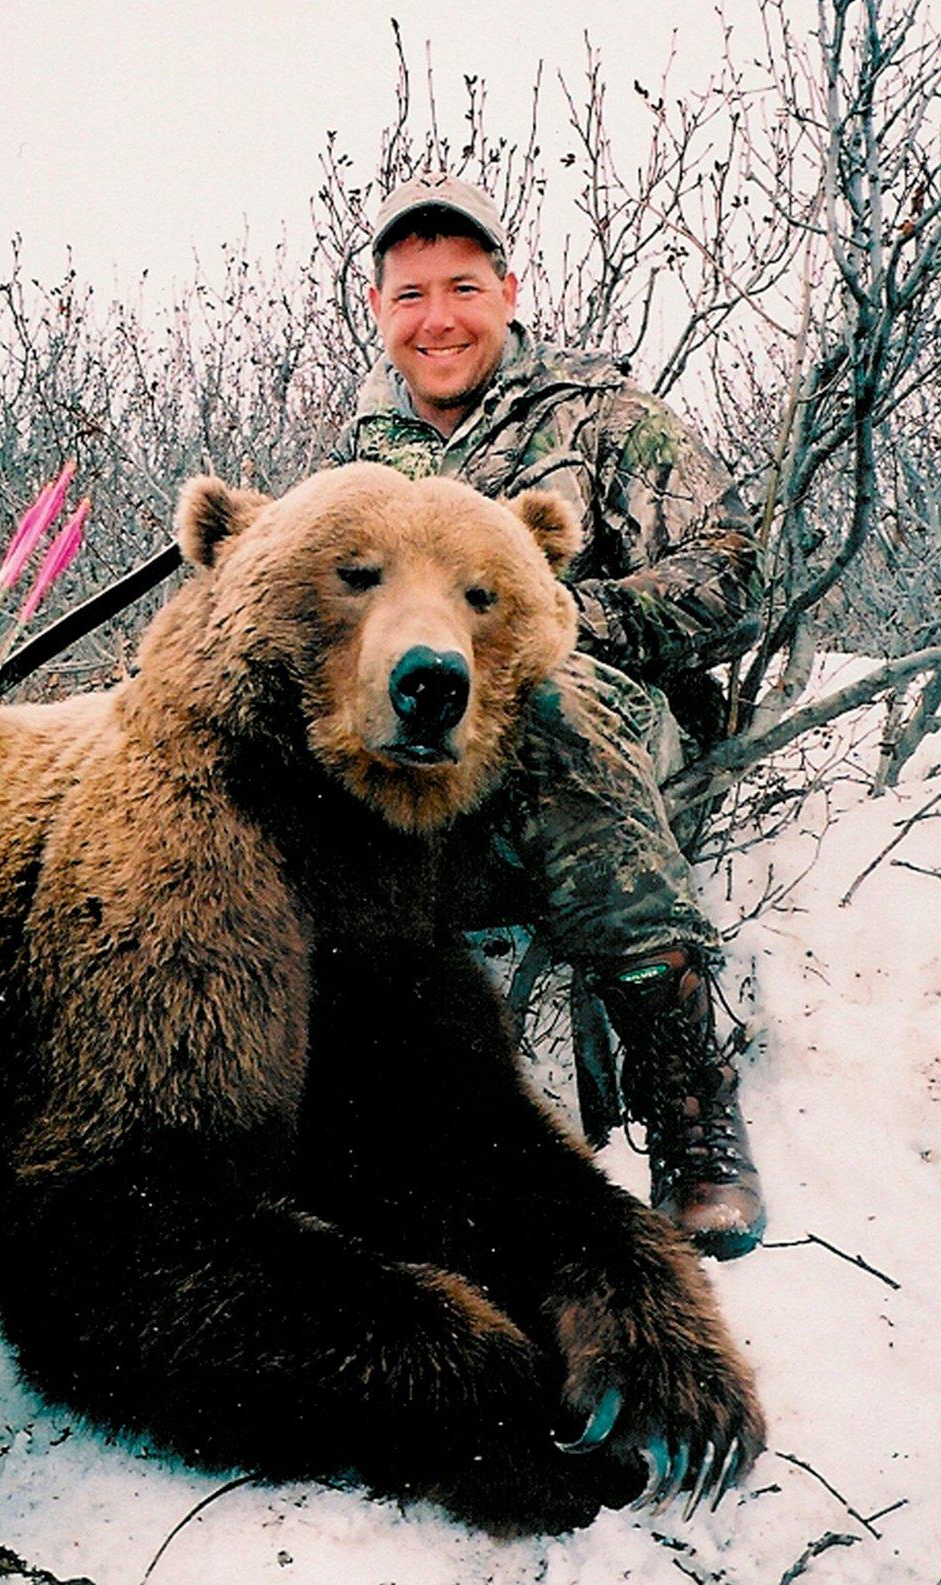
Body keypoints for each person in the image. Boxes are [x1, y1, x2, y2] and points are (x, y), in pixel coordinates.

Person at [332, 172, 767, 1260]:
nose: (439, 318)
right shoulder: (352, 466)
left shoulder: (601, 414)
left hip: (610, 712)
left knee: (546, 697)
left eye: (464, 287)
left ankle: (684, 1094)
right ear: (380, 312)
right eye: (411, 294)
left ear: (510, 290)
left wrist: (560, 620)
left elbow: (732, 568)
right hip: (439, 739)